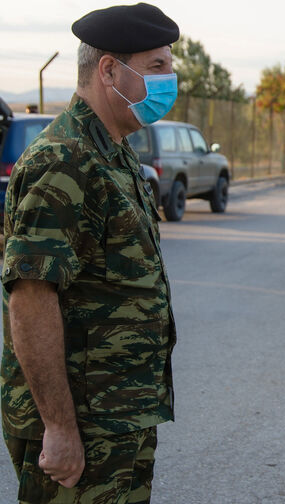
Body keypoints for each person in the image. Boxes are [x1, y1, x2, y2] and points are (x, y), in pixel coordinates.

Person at [1, 3, 180, 502]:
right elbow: (31, 299)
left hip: (119, 412)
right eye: (158, 67)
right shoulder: (64, 160)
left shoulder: (114, 150)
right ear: (109, 70)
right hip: (83, 420)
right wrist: (58, 427)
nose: (171, 79)